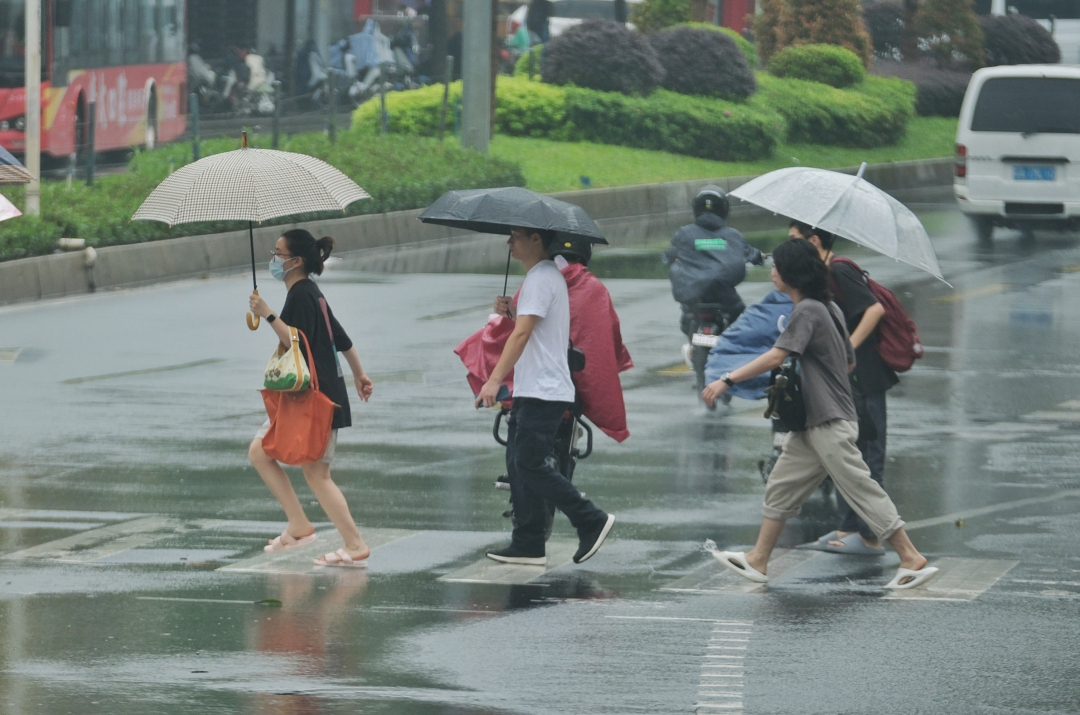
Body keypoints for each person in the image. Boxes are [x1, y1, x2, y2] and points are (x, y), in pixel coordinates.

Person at [700, 240, 937, 589]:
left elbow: (775, 356)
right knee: (781, 487)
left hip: (828, 420)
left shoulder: (808, 311)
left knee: (859, 486)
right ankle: (759, 559)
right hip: (815, 420)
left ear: (793, 275)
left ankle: (910, 556)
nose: (772, 272)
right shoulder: (830, 308)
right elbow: (848, 361)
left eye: (778, 267)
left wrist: (726, 379)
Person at [476, 227, 616, 566]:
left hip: (544, 390)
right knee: (518, 463)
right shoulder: (546, 275)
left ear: (536, 239)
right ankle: (528, 541)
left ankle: (591, 519)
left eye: (516, 236)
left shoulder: (541, 277)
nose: (509, 242)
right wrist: (513, 310)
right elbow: (534, 325)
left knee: (529, 463)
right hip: (534, 388)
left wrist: (493, 381)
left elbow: (523, 333)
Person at [248, 229, 375, 568]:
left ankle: (354, 543)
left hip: (316, 398)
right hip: (310, 395)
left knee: (317, 474)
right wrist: (360, 374)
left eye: (278, 253)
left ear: (296, 261)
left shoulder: (303, 295)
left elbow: (296, 342)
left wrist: (267, 313)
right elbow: (341, 338)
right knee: (260, 452)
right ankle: (299, 525)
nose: (274, 259)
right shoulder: (310, 294)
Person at [788, 221, 896, 556]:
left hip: (864, 375)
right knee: (847, 454)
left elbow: (875, 310)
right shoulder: (823, 277)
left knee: (867, 453)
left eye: (796, 240)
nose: (790, 248)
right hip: (847, 377)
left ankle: (869, 535)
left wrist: (844, 347)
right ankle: (847, 527)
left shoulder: (838, 270)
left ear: (815, 240)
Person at [663, 185, 764, 332]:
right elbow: (750, 254)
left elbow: (668, 257)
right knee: (741, 323)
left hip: (693, 298)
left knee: (686, 320)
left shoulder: (684, 233)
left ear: (696, 208)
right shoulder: (733, 235)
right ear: (724, 209)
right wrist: (759, 256)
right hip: (725, 297)